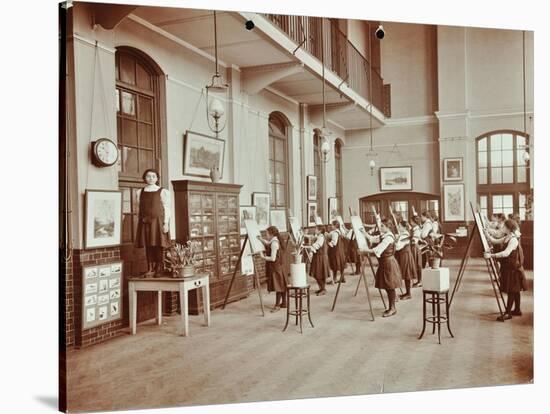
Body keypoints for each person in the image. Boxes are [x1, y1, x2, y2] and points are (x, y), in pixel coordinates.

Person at [484, 219, 527, 321]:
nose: (502, 228)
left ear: (508, 228)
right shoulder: (508, 237)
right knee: (515, 290)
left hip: (513, 269)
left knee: (512, 291)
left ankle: (508, 313)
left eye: (504, 227)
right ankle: (517, 310)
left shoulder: (513, 239)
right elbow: (494, 241)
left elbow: (506, 253)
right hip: (510, 268)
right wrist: (486, 233)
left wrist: (491, 255)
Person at [134, 169, 171, 277]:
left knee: (159, 244)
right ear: (144, 178)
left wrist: (166, 223)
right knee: (148, 245)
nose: (151, 178)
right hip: (145, 222)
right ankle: (150, 268)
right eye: (148, 176)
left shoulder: (163, 191)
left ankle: (159, 267)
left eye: (153, 176)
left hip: (158, 222)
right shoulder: (139, 192)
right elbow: (138, 208)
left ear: (157, 178)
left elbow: (167, 208)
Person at [363, 218, 403, 317]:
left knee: (390, 286)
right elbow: (373, 239)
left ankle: (392, 308)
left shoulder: (388, 238)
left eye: (382, 226)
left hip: (388, 263)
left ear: (388, 227)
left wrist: (364, 250)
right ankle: (391, 306)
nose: (380, 227)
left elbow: (378, 249)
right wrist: (364, 233)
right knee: (387, 285)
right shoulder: (384, 235)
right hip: (385, 262)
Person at [258, 226, 288, 312]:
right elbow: (268, 243)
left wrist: (263, 257)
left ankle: (277, 305)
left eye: (266, 233)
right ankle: (284, 302)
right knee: (282, 285)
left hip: (276, 267)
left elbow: (273, 258)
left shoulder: (274, 243)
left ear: (271, 234)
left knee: (278, 286)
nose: (266, 235)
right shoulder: (274, 240)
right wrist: (261, 239)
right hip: (280, 266)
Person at [305, 225, 330, 296]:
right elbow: (313, 237)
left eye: (316, 229)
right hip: (320, 257)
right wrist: (305, 235)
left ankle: (323, 289)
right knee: (320, 274)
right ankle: (322, 288)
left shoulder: (321, 237)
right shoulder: (319, 236)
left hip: (320, 258)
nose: (314, 230)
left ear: (319, 231)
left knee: (319, 274)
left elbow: (316, 245)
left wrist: (311, 250)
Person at [395, 220, 417, 300]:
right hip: (403, 255)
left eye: (399, 226)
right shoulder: (403, 234)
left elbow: (398, 247)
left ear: (404, 227)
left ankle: (408, 294)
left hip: (405, 256)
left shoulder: (405, 235)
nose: (398, 227)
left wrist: (393, 242)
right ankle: (407, 293)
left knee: (407, 275)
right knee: (406, 274)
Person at [410, 215, 423, 285]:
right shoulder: (414, 228)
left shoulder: (417, 229)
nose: (410, 222)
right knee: (415, 263)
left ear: (414, 222)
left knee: (418, 264)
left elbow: (414, 241)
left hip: (415, 247)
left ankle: (419, 281)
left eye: (411, 221)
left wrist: (408, 239)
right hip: (413, 247)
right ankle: (418, 280)